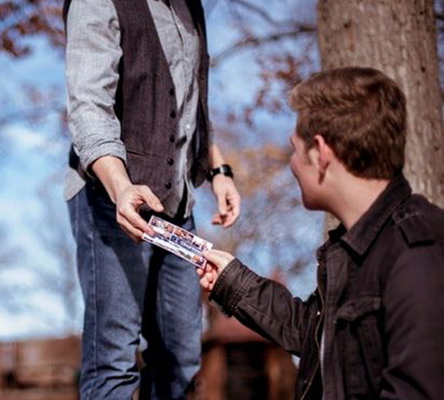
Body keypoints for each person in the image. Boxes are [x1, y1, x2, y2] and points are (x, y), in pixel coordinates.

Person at [197, 67, 444, 400]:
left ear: (321, 152)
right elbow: (311, 331)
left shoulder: (418, 253)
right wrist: (232, 280)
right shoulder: (355, 250)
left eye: (295, 150)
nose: (292, 164)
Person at [63, 0, 241, 398]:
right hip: (110, 200)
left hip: (176, 207)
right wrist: (120, 185)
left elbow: (190, 102)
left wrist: (218, 169)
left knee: (181, 359)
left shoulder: (190, 9)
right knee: (113, 361)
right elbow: (88, 107)